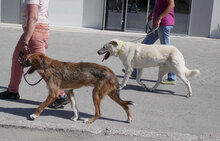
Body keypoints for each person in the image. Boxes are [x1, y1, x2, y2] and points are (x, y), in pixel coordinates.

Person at [0, 0, 68, 108]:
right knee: (18, 59)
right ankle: (12, 91)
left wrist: (26, 40)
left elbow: (33, 17)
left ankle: (61, 95)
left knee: (42, 67)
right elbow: (44, 13)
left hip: (34, 31)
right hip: (35, 31)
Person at [128, 0, 176, 84]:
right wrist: (152, 14)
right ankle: (134, 71)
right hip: (157, 24)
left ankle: (172, 77)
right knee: (142, 47)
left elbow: (171, 5)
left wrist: (159, 18)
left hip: (164, 24)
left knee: (167, 51)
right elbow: (159, 6)